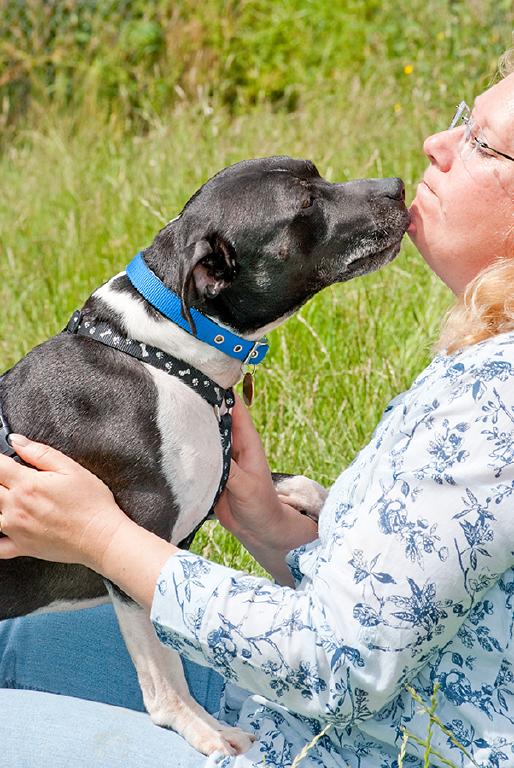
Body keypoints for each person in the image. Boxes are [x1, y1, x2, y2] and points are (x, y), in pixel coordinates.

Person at [0, 56, 513, 768]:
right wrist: (270, 523)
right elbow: (390, 613)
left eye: (481, 141)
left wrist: (101, 536)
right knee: (16, 640)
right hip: (288, 707)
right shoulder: (479, 357)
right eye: (462, 118)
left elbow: (341, 667)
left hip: (321, 751)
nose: (435, 142)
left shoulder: (497, 412)